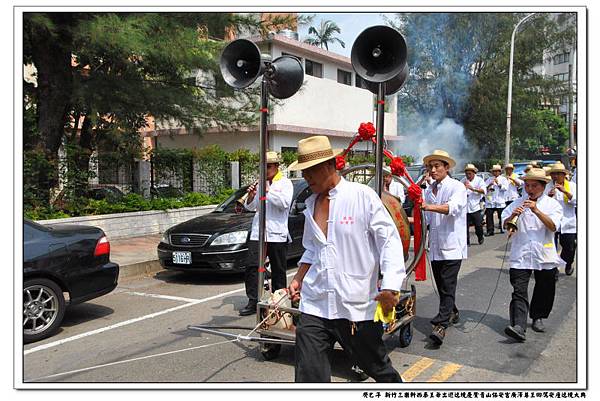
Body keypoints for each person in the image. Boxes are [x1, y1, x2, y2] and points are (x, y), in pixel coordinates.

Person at [287, 135, 406, 383]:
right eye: (303, 171)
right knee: (308, 374)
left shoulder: (361, 196)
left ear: (330, 165)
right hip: (316, 302)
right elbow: (312, 249)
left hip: (355, 304)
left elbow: (389, 241)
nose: (306, 177)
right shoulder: (311, 204)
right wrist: (298, 278)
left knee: (376, 366)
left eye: (311, 170)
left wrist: (391, 286)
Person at [501, 168, 564, 341]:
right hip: (520, 253)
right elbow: (505, 223)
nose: (529, 189)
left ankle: (538, 316)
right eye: (527, 185)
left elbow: (553, 226)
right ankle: (519, 325)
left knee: (545, 288)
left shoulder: (553, 205)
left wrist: (536, 210)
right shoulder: (516, 203)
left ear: (543, 186)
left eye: (534, 186)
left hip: (544, 253)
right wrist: (513, 215)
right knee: (518, 290)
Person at [421, 150, 467, 345]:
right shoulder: (429, 190)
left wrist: (428, 206)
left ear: (447, 168)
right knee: (441, 286)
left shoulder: (457, 187)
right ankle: (452, 310)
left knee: (448, 285)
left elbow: (452, 208)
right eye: (430, 167)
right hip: (436, 246)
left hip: (452, 246)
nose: (433, 170)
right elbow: (426, 219)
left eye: (437, 166)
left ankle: (440, 325)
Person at [239, 151, 294, 316]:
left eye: (268, 166)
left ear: (276, 166)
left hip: (276, 233)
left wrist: (268, 190)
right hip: (258, 232)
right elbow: (251, 207)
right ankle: (253, 300)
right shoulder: (260, 183)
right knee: (251, 267)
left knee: (278, 269)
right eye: (262, 166)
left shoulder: (285, 183)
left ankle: (278, 302)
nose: (265, 169)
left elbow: (284, 204)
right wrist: (250, 196)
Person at [547, 162, 577, 276]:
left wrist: (565, 192)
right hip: (552, 223)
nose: (555, 176)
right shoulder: (547, 186)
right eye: (553, 174)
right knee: (551, 248)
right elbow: (542, 203)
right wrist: (549, 196)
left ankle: (568, 263)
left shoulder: (572, 186)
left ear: (564, 175)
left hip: (568, 222)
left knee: (569, 247)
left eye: (558, 174)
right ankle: (553, 270)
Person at [461, 163, 486, 246]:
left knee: (478, 225)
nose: (468, 175)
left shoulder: (479, 180)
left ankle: (480, 237)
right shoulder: (463, 180)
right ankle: (466, 242)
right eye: (466, 174)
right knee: (465, 227)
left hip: (475, 207)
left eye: (470, 174)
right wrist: (463, 188)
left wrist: (473, 188)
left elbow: (483, 191)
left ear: (474, 173)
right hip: (465, 208)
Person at [484, 164, 509, 236]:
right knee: (489, 216)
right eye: (494, 171)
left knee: (501, 216)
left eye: (496, 171)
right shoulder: (489, 179)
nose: (495, 173)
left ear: (499, 172)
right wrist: (490, 185)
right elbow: (484, 188)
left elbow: (505, 188)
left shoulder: (503, 179)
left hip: (499, 200)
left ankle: (502, 228)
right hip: (490, 200)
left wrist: (498, 184)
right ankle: (490, 230)